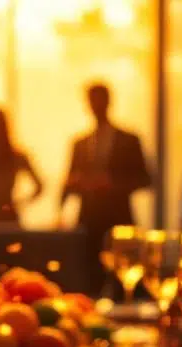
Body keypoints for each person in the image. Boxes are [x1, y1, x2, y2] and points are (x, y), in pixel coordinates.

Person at [60, 82, 152, 296]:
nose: (95, 105)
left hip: (119, 221)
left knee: (124, 283)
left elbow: (145, 178)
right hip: (89, 222)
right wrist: (73, 187)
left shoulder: (129, 140)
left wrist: (112, 184)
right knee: (89, 281)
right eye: (92, 101)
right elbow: (68, 181)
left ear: (109, 102)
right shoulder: (79, 143)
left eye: (99, 100)